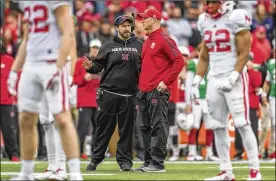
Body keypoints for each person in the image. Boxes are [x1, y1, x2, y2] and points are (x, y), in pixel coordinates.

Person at [7, 2, 82, 180]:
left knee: (62, 118)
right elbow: (27, 38)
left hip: (52, 61)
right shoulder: (26, 3)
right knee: (28, 118)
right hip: (32, 63)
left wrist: (59, 68)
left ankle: (73, 173)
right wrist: (14, 70)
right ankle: (27, 172)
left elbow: (68, 35)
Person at [194, 1, 261, 180]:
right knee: (217, 125)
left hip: (235, 77)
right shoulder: (204, 20)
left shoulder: (236, 17)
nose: (209, 5)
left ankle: (255, 170)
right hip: (214, 77)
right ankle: (226, 171)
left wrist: (233, 77)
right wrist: (197, 80)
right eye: (207, 2)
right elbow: (204, 54)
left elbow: (244, 52)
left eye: (213, 1)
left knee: (242, 123)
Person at [83, 14, 143, 171]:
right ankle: (96, 159)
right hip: (109, 93)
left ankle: (124, 161)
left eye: (128, 25)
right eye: (123, 26)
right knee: (103, 130)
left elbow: (144, 68)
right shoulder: (108, 45)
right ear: (117, 28)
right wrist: (90, 67)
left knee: (127, 132)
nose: (126, 28)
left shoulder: (139, 45)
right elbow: (98, 66)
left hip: (130, 95)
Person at [135, 8, 185, 172]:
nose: (141, 21)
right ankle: (148, 161)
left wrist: (166, 82)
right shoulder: (148, 40)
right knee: (145, 127)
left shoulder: (164, 39)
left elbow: (179, 61)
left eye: (145, 18)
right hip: (144, 90)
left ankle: (158, 163)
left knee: (158, 125)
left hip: (157, 90)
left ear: (154, 19)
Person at [184, 45, 219, 162]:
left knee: (210, 126)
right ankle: (191, 152)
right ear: (198, 52)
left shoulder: (212, 64)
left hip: (208, 99)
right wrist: (188, 102)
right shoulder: (193, 63)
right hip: (197, 98)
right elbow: (188, 84)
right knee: (194, 125)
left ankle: (209, 153)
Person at [74, 38, 102, 160]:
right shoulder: (81, 62)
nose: (95, 50)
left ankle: (95, 153)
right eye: (93, 48)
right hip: (85, 101)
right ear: (90, 49)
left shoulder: (102, 63)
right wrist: (83, 78)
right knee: (82, 128)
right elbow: (74, 80)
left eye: (97, 48)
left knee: (98, 129)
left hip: (98, 101)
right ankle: (78, 152)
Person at [0, 38, 20, 162]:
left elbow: (16, 79)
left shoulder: (9, 60)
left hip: (6, 101)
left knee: (8, 129)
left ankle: (13, 154)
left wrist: (15, 97)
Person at [261, 39, 276, 160]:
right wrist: (264, 95)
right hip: (273, 96)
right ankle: (272, 151)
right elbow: (267, 81)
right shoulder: (271, 63)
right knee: (274, 124)